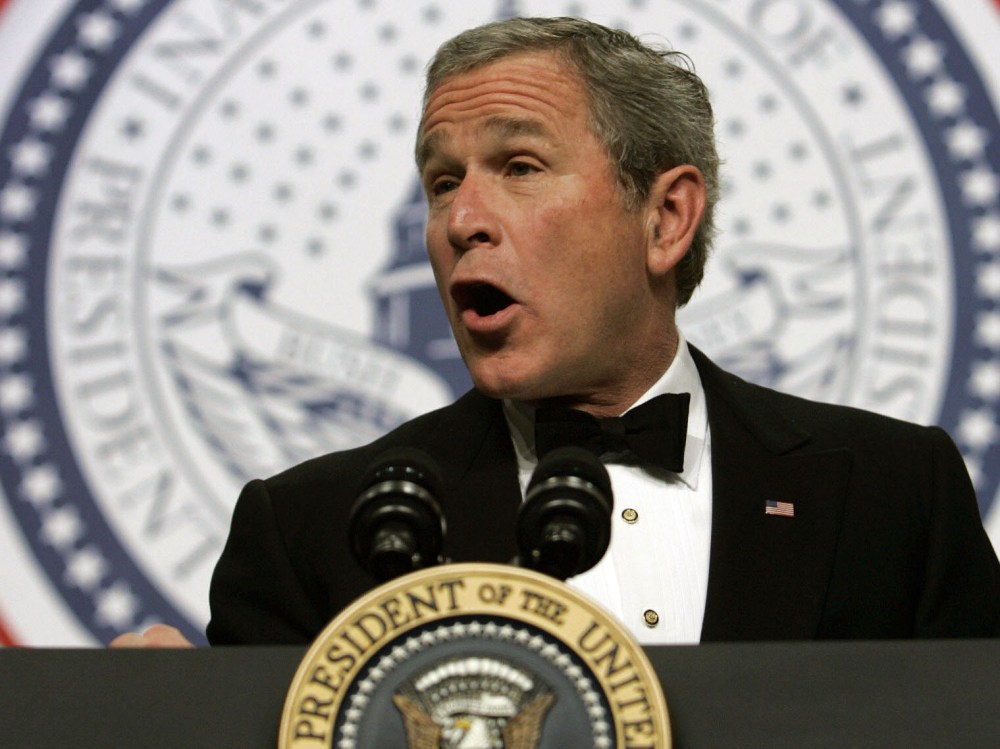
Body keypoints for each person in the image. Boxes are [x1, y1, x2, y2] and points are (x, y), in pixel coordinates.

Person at [114, 16, 1000, 648]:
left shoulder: (894, 493)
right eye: (440, 180)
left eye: (520, 166)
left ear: (666, 219)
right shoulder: (312, 528)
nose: (462, 218)